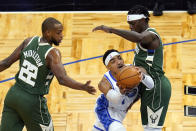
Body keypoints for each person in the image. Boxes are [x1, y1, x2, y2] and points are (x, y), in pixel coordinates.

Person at [0, 17, 96, 131]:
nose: (62, 36)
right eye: (58, 33)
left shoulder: (28, 41)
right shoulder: (52, 53)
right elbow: (62, 78)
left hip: (13, 95)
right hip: (32, 101)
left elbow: (5, 63)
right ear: (48, 32)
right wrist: (83, 87)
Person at [92, 5, 171, 131]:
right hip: (145, 86)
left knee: (152, 129)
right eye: (129, 24)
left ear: (144, 20)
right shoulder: (120, 74)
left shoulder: (151, 36)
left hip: (157, 87)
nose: (130, 27)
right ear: (107, 67)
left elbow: (139, 38)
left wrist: (111, 30)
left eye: (133, 23)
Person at [92, 49, 155, 131]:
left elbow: (151, 85)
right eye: (113, 61)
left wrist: (142, 77)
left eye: (119, 58)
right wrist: (121, 93)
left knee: (102, 127)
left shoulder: (135, 70)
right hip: (106, 108)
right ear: (108, 67)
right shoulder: (104, 83)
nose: (119, 62)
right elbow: (117, 101)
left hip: (121, 112)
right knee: (117, 128)